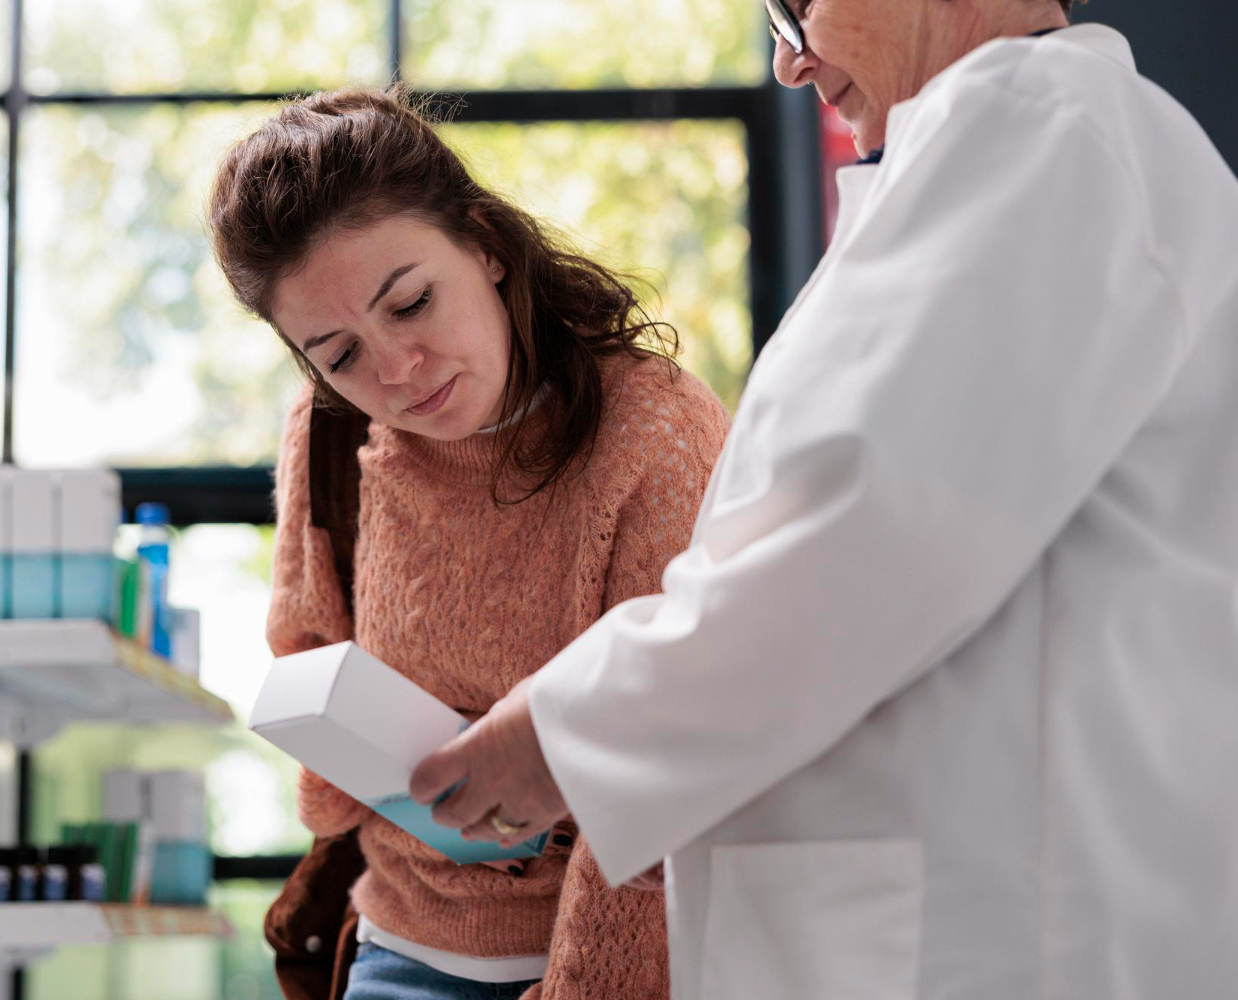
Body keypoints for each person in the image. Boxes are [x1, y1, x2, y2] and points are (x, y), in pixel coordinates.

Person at [411, 2, 1238, 998]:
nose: (789, 62)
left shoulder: (1047, 127)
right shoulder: (1016, 147)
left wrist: (564, 729)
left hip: (1002, 939)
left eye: (795, 7)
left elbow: (872, 531)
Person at [208, 89, 731, 999]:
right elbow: (308, 656)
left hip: (607, 959)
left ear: (485, 244)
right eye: (338, 354)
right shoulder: (329, 431)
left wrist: (581, 989)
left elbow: (669, 765)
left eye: (410, 303)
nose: (395, 371)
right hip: (394, 949)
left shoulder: (653, 431)